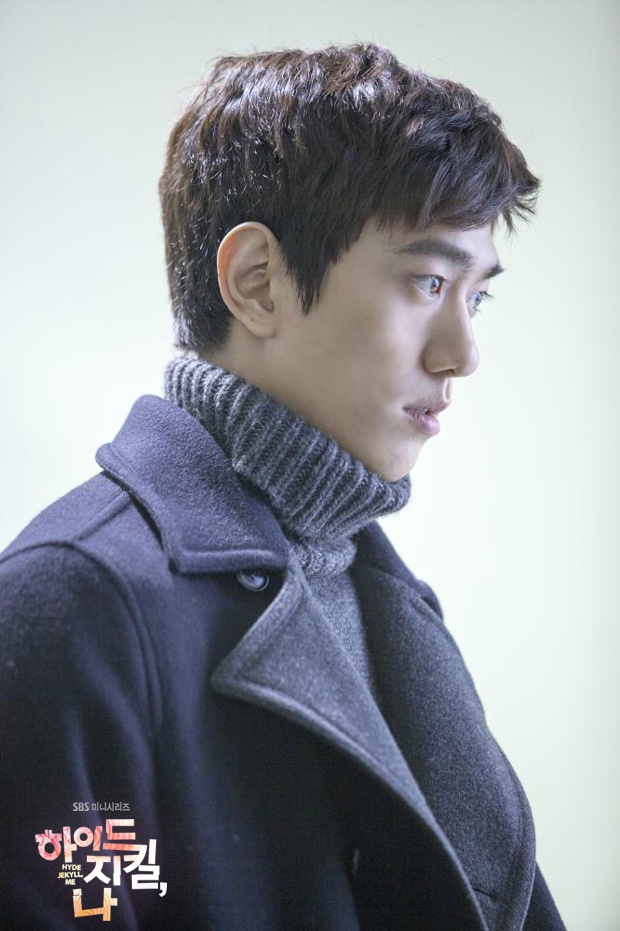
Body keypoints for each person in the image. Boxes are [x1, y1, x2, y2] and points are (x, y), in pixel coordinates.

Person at [0, 42, 566, 930]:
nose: (462, 353)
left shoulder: (383, 595)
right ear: (257, 283)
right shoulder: (73, 604)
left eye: (476, 296)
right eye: (428, 281)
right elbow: (89, 903)